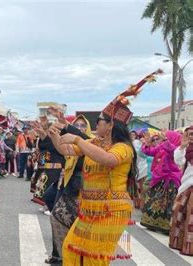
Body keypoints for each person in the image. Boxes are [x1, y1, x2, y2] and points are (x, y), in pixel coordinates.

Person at [51, 70, 163, 264]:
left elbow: (109, 160)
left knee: (94, 259)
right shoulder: (95, 143)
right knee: (71, 250)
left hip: (111, 210)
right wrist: (53, 134)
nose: (96, 124)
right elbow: (65, 150)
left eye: (99, 121)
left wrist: (78, 138)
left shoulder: (124, 148)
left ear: (110, 125)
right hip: (89, 208)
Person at [46, 113, 93, 264]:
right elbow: (62, 149)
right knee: (55, 211)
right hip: (66, 180)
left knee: (60, 217)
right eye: (77, 125)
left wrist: (68, 127)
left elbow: (84, 143)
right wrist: (52, 134)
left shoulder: (90, 141)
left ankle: (67, 256)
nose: (79, 128)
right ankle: (59, 255)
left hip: (82, 187)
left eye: (82, 125)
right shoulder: (75, 141)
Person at [140, 130, 182, 234]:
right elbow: (149, 152)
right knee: (154, 200)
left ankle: (166, 226)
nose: (162, 140)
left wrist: (165, 140)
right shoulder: (162, 147)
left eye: (167, 137)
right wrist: (147, 143)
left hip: (171, 180)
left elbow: (171, 150)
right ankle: (152, 223)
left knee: (168, 203)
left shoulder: (177, 150)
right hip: (159, 178)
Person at [169, 126, 193, 255]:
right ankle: (178, 242)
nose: (191, 136)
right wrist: (182, 147)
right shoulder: (187, 150)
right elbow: (179, 161)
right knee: (179, 212)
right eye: (189, 134)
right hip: (187, 185)